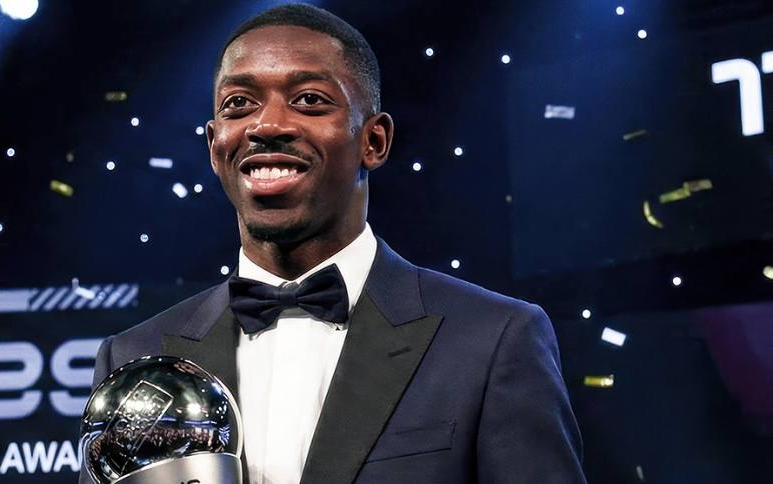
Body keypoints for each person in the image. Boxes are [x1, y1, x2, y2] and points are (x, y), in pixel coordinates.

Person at [79, 4, 586, 484]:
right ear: (215, 147)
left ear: (374, 141)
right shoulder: (136, 356)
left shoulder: (492, 340)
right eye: (239, 104)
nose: (267, 125)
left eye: (309, 100)